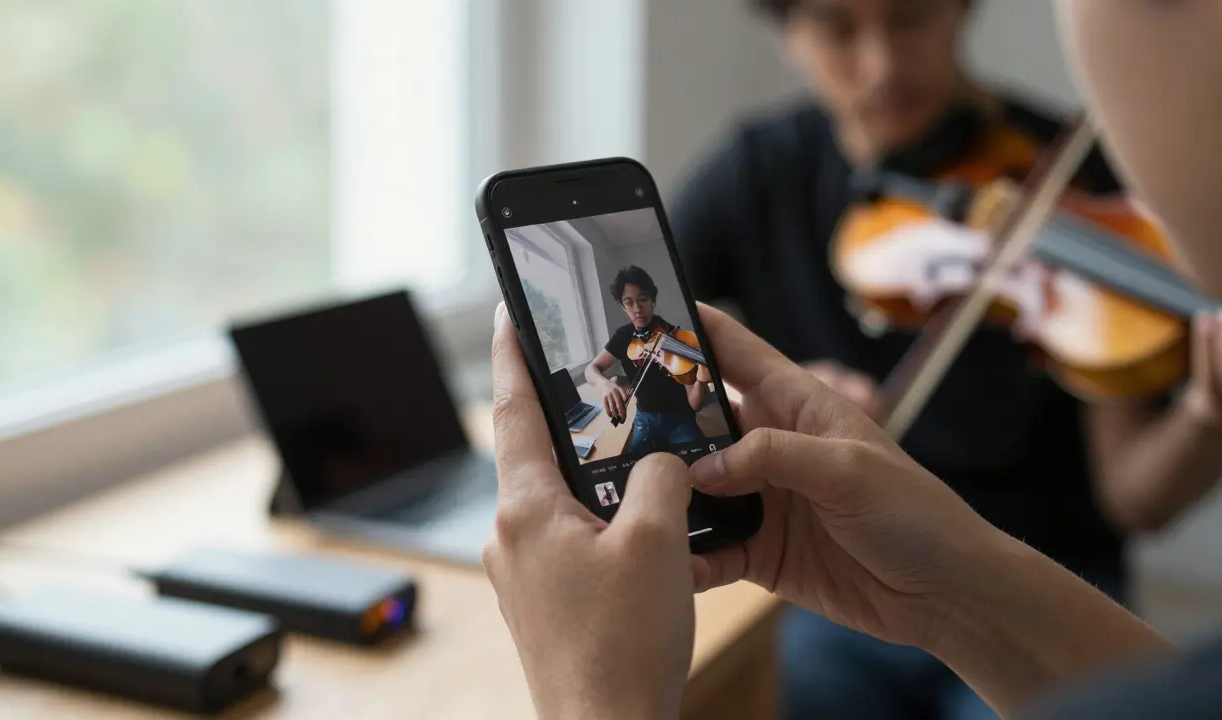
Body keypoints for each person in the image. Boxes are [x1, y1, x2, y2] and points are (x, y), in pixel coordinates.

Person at [483, 0, 1222, 718]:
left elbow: (1136, 499)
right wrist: (741, 407)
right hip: (842, 563)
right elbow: (669, 341)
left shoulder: (1073, 178)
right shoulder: (759, 170)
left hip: (1052, 574)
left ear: (962, 10)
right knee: (802, 672)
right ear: (787, 35)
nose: (882, 64)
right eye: (838, 28)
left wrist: (1205, 413)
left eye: (911, 17)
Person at [585, 266, 711, 456]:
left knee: (701, 460)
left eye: (643, 299)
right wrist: (604, 384)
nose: (637, 309)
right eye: (629, 302)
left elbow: (695, 404)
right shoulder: (623, 336)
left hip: (680, 419)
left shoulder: (676, 337)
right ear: (623, 307)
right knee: (632, 464)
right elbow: (591, 369)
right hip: (645, 418)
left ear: (653, 300)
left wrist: (701, 380)